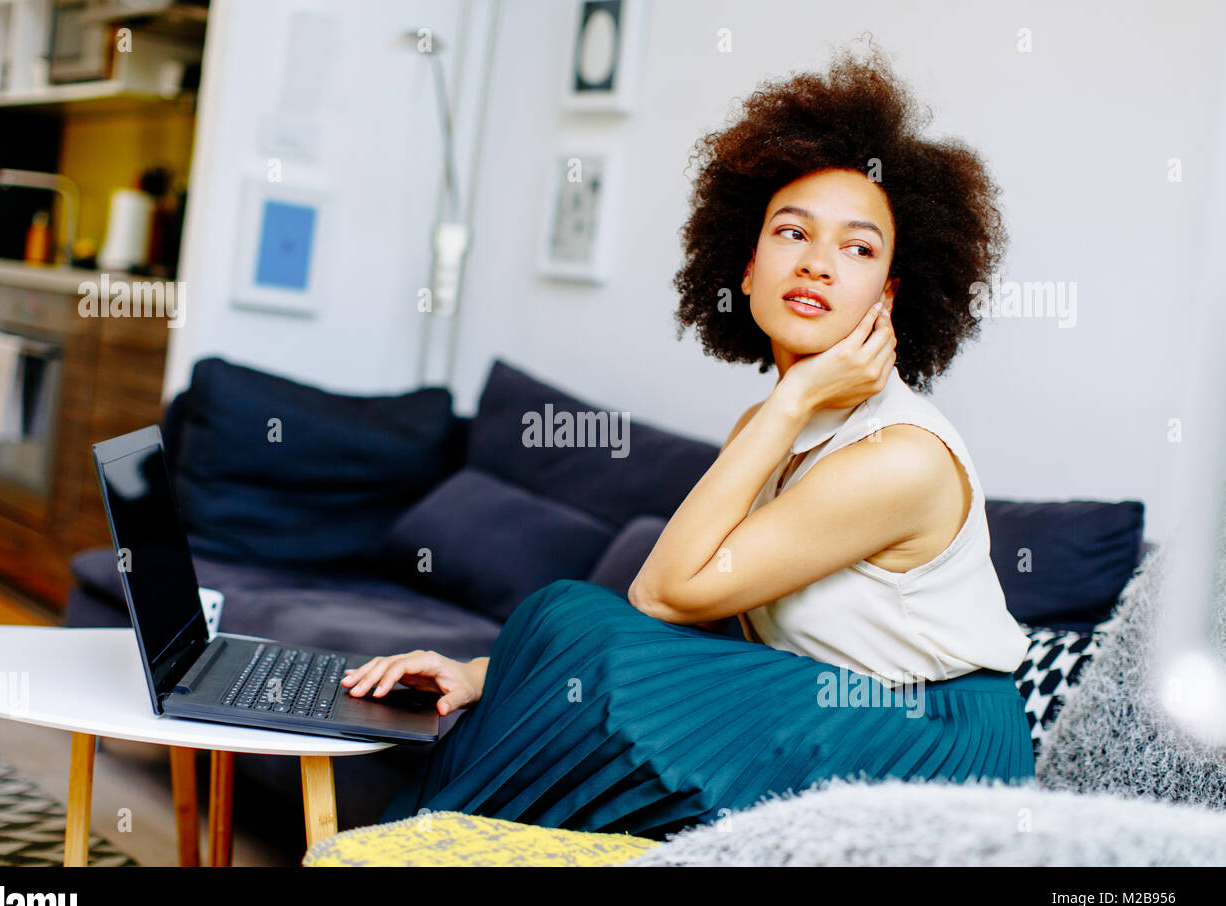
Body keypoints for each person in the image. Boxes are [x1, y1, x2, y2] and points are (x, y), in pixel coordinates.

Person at [343, 43, 1036, 841]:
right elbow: (697, 619)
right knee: (559, 625)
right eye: (791, 233)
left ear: (890, 298)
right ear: (744, 269)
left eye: (857, 248)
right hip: (833, 702)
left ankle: (410, 849)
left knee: (576, 620)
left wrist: (797, 393)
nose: (816, 264)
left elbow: (662, 595)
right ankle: (418, 850)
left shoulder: (900, 457)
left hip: (932, 744)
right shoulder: (776, 424)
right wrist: (484, 676)